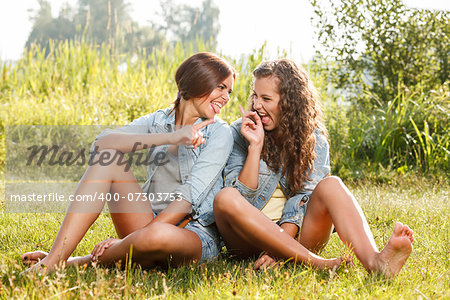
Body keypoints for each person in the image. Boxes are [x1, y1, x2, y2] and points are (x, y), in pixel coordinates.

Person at [22, 52, 236, 272]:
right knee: (108, 159)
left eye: (229, 91)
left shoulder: (220, 133)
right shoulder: (159, 121)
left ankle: (72, 264)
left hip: (193, 232)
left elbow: (188, 199)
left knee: (156, 235)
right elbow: (101, 144)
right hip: (146, 221)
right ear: (197, 80)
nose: (226, 97)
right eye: (220, 87)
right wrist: (171, 137)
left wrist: (129, 241)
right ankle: (54, 259)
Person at [213, 59, 414, 276]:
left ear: (289, 102)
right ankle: (317, 263)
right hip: (247, 240)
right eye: (255, 96)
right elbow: (242, 201)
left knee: (332, 185)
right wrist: (255, 147)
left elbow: (304, 197)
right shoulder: (238, 132)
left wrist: (279, 250)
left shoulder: (313, 138)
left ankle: (377, 263)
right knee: (226, 197)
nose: (257, 105)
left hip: (298, 237)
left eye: (266, 99)